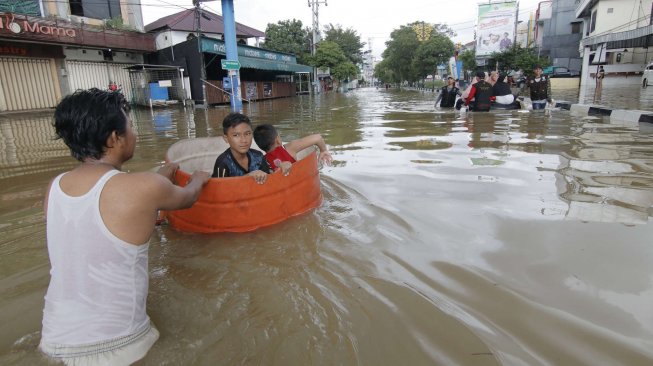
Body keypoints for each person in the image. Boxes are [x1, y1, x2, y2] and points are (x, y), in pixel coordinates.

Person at [40, 88, 210, 365]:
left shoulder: (55, 187)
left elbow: (109, 209)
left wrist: (157, 180)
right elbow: (187, 199)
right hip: (119, 343)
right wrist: (199, 179)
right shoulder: (144, 186)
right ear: (114, 138)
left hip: (54, 340)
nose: (135, 134)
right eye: (130, 127)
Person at [211, 112, 271, 184]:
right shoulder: (223, 162)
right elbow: (219, 190)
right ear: (226, 138)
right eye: (236, 135)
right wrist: (247, 177)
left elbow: (270, 181)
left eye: (247, 134)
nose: (244, 140)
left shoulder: (258, 156)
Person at [253, 124, 333, 172]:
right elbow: (318, 138)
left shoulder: (263, 161)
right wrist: (323, 150)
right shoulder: (289, 148)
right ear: (277, 139)